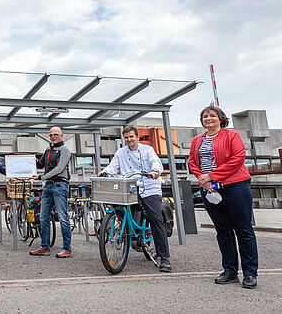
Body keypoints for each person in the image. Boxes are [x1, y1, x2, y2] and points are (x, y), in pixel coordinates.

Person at [188, 106, 258, 289]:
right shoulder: (197, 140)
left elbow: (237, 159)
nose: (208, 118)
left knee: (243, 229)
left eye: (212, 115)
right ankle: (230, 271)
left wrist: (212, 176)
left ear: (220, 118)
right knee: (222, 230)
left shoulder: (231, 136)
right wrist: (203, 179)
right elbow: (192, 162)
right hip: (209, 189)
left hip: (235, 186)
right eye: (205, 116)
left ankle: (250, 273)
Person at [99, 126, 172, 272]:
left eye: (131, 136)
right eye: (126, 137)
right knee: (118, 209)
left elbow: (156, 162)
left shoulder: (147, 150)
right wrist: (105, 171)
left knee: (155, 219)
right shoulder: (121, 152)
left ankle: (165, 258)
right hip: (131, 187)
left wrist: (155, 171)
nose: (129, 139)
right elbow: (113, 166)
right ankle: (127, 234)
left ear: (137, 137)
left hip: (150, 187)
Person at [29, 127, 72, 258]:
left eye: (56, 134)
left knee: (63, 218)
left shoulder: (65, 150)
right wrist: (33, 161)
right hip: (47, 186)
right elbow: (41, 164)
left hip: (60, 185)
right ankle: (44, 247)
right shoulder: (48, 149)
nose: (53, 137)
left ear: (61, 135)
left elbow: (59, 169)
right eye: (51, 135)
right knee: (43, 217)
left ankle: (67, 248)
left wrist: (42, 177)